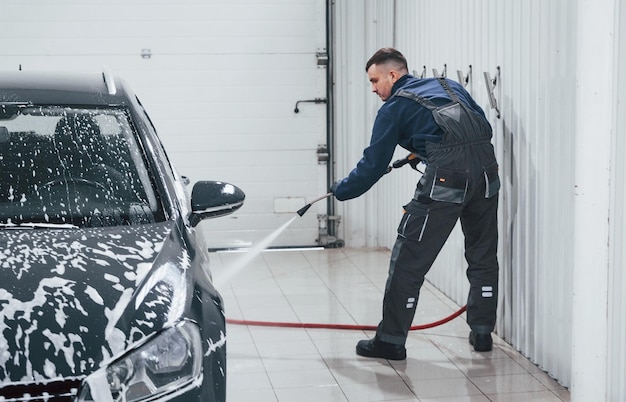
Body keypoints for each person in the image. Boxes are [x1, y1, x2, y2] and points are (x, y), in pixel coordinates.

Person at [330, 48, 500, 360]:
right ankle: (482, 332)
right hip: (487, 173)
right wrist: (424, 151)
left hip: (447, 182)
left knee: (408, 260)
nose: (373, 89)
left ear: (392, 75)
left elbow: (372, 166)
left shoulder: (393, 108)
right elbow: (475, 126)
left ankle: (391, 340)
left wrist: (340, 190)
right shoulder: (449, 85)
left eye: (375, 80)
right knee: (483, 255)